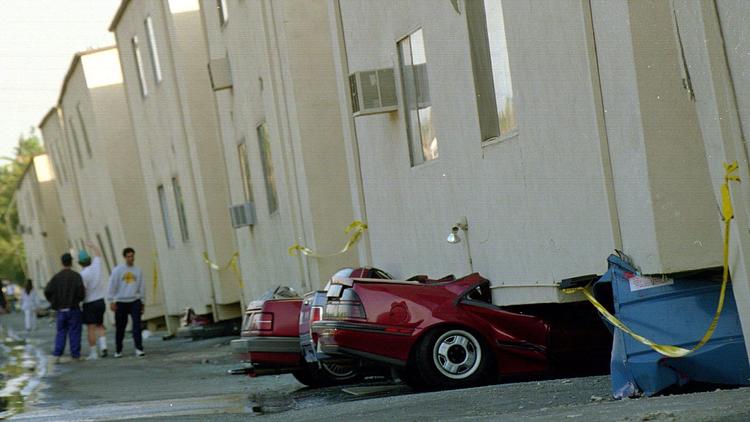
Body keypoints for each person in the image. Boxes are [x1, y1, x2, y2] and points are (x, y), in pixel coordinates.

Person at [44, 253, 85, 362]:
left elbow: (47, 291)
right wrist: (77, 300)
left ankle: (57, 354)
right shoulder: (76, 276)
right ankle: (75, 354)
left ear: (62, 262)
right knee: (75, 331)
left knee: (61, 332)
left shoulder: (56, 277)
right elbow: (81, 292)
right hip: (73, 308)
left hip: (61, 310)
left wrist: (54, 303)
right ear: (71, 262)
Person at [107, 247, 145, 358]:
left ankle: (139, 348)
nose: (131, 258)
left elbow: (142, 286)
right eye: (128, 256)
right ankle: (118, 350)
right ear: (124, 257)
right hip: (121, 301)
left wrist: (142, 301)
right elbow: (112, 285)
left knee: (137, 325)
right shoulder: (118, 270)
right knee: (120, 327)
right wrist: (111, 300)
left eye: (132, 256)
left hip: (135, 300)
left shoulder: (138, 270)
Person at [79, 242, 108, 359]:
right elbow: (98, 254)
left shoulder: (82, 275)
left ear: (80, 263)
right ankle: (103, 347)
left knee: (91, 328)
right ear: (89, 259)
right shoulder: (96, 266)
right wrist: (92, 246)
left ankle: (93, 353)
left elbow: (83, 290)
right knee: (100, 325)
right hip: (100, 301)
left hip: (89, 303)